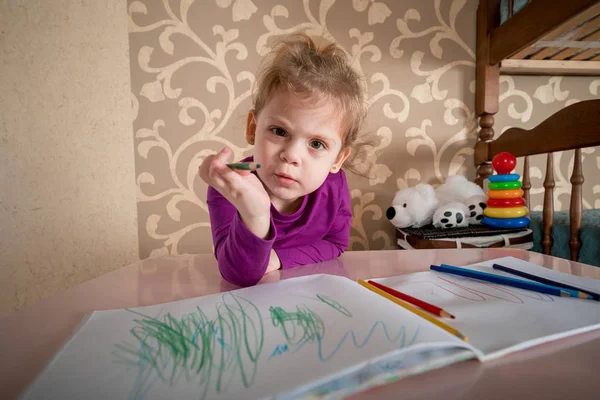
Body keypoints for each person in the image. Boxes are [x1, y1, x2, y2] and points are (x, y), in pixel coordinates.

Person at [198, 32, 369, 287]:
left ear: (338, 159)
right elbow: (238, 275)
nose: (291, 155)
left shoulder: (334, 186)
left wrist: (279, 258)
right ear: (253, 128)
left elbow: (336, 243)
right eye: (280, 131)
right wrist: (255, 214)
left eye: (316, 144)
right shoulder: (231, 186)